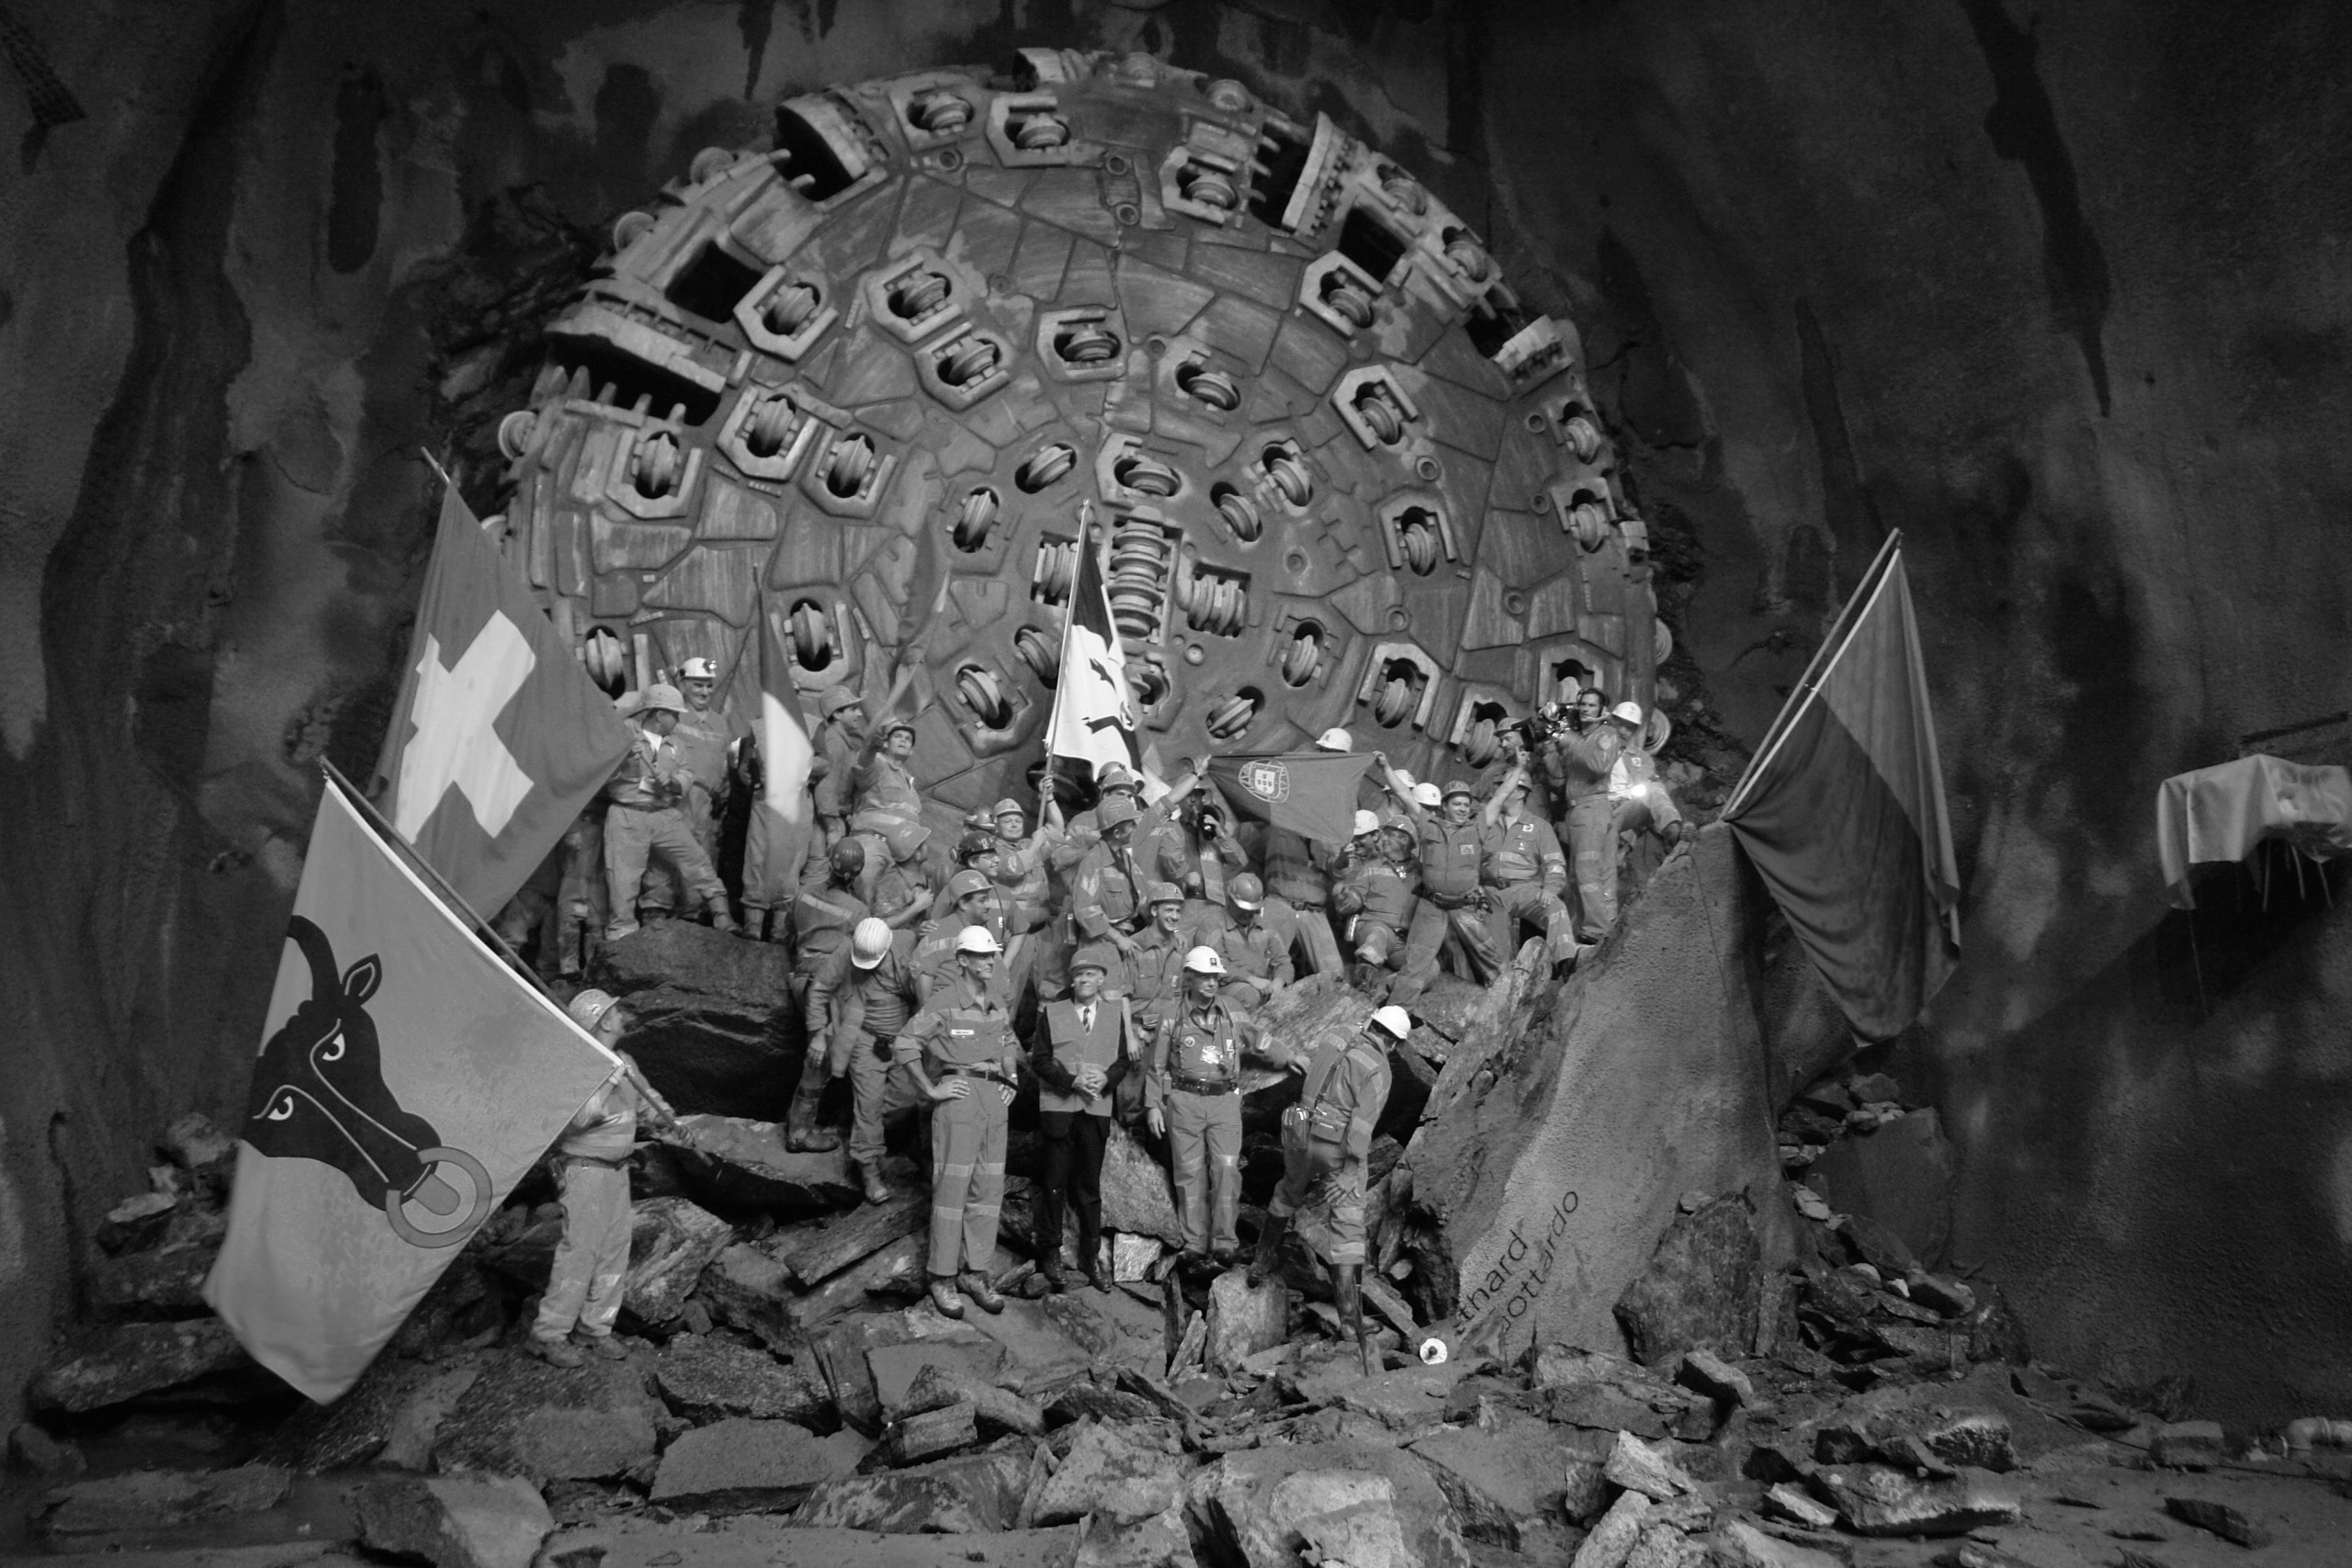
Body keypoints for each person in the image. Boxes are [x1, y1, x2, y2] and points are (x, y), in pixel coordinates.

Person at [527, 989, 687, 1366]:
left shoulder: (624, 1061)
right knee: (579, 1252)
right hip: (585, 1171)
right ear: (601, 1020)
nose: (621, 1015)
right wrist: (607, 1081)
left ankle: (595, 1328)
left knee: (615, 1249)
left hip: (616, 1173)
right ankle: (548, 1335)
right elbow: (577, 1120)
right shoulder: (581, 1066)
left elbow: (648, 1101)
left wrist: (672, 1122)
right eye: (614, 1011)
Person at [1253, 1003, 1403, 1367]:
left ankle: (1260, 1261)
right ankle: (1351, 1323)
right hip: (1334, 1146)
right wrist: (1352, 1170)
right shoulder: (1380, 1068)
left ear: (1371, 1022)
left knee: (1288, 1190)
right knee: (1347, 1223)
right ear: (1395, 1044)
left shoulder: (1336, 1033)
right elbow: (1362, 1126)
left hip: (1298, 1130)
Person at [896, 926, 1022, 1317]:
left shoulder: (996, 1001)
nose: (990, 961)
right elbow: (903, 1043)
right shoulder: (944, 1001)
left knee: (988, 1189)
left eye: (992, 955)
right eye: (982, 956)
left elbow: (1008, 1042)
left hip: (993, 1102)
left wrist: (1011, 1079)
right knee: (952, 1193)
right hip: (960, 1097)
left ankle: (975, 1272)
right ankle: (942, 1277)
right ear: (962, 960)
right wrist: (932, 1090)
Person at [1145, 946, 1292, 1269]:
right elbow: (1158, 1067)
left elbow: (1259, 1040)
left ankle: (1224, 1243)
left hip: (1225, 1100)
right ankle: (1194, 1243)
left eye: (1215, 977)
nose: (1212, 983)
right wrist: (1155, 1105)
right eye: (1205, 977)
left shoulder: (1232, 1009)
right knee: (1189, 1173)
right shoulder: (1172, 1015)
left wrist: (1289, 1057)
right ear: (1189, 979)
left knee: (1226, 1170)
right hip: (1183, 1101)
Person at [604, 683, 734, 941]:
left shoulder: (676, 745)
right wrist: (624, 758)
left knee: (697, 859)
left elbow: (686, 774)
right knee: (623, 880)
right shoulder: (625, 737)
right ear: (659, 714)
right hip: (628, 814)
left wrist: (673, 781)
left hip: (663, 813)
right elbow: (604, 774)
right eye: (674, 714)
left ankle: (722, 916)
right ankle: (622, 936)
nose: (677, 719)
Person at [1031, 942, 1125, 1292]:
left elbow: (1123, 1062)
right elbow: (1039, 1060)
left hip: (1095, 1111)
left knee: (1089, 1190)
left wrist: (1108, 1078)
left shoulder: (1115, 1015)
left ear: (1101, 979)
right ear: (1070, 980)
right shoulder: (1052, 1013)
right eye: (1077, 974)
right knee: (1053, 1184)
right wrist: (1071, 1081)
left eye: (1089, 974)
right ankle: (1051, 1253)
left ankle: (1090, 1256)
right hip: (1059, 1109)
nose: (1083, 979)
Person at [812, 917, 927, 1201]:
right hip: (864, 1040)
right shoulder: (847, 951)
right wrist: (817, 1032)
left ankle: (864, 1131)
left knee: (909, 1096)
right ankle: (869, 1172)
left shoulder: (906, 941)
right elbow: (820, 988)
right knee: (869, 1105)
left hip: (903, 1038)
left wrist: (929, 931)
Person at [1386, 768, 1488, 1001]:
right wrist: (1385, 768)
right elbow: (1403, 794)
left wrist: (1519, 769)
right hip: (1431, 907)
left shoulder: (1475, 831)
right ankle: (1398, 1007)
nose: (1462, 809)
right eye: (1457, 804)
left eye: (1466, 804)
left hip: (1464, 907)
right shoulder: (1427, 827)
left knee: (1479, 955)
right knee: (1420, 961)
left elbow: (1501, 797)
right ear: (1445, 806)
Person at [1257, 730, 1352, 976]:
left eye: (1335, 757)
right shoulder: (1289, 790)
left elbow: (1333, 866)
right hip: (1278, 903)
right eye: (1324, 754)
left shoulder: (1340, 809)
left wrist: (1342, 860)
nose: (1327, 761)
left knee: (1335, 976)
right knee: (1259, 966)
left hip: (1313, 909)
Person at [1480, 759, 1576, 968]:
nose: (1502, 792)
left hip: (1523, 890)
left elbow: (1556, 865)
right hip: (1490, 894)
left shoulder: (1539, 827)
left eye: (1508, 787)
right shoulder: (1487, 822)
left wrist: (1551, 888)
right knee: (1499, 955)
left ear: (1521, 793)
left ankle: (1565, 962)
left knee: (1555, 908)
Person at [1555, 689, 1632, 943]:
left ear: (1601, 710)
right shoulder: (1583, 736)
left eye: (1591, 705)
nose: (1586, 708)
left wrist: (1573, 742)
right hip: (1579, 810)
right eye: (1583, 704)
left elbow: (1600, 766)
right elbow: (1561, 774)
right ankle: (1596, 928)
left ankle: (1596, 930)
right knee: (1589, 874)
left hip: (1591, 808)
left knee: (1586, 871)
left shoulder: (1606, 734)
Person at [1330, 813, 1430, 1000]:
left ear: (1405, 841)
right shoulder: (1371, 867)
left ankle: (1386, 988)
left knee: (1430, 967)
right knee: (1377, 938)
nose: (1384, 839)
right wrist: (1345, 896)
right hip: (1374, 926)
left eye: (1391, 835)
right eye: (1386, 834)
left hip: (1404, 940)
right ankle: (1362, 992)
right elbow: (1356, 899)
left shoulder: (1421, 873)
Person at [1189, 872, 1295, 1014]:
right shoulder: (1212, 925)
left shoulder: (1264, 926)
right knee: (1249, 996)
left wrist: (1279, 982)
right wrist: (1250, 979)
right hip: (1221, 988)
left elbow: (1283, 961)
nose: (1248, 914)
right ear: (1229, 900)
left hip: (1262, 987)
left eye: (1252, 910)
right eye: (1243, 909)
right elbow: (1213, 967)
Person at [808, 686, 867, 848]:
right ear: (837, 714)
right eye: (853, 709)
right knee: (821, 869)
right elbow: (826, 787)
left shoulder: (842, 741)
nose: (859, 714)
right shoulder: (834, 741)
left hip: (838, 817)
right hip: (829, 821)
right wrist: (832, 827)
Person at [852, 715, 923, 822]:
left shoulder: (909, 783)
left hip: (900, 838)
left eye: (908, 739)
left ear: (911, 751)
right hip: (872, 835)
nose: (903, 740)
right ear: (885, 744)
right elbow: (863, 765)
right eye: (897, 736)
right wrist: (871, 747)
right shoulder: (877, 762)